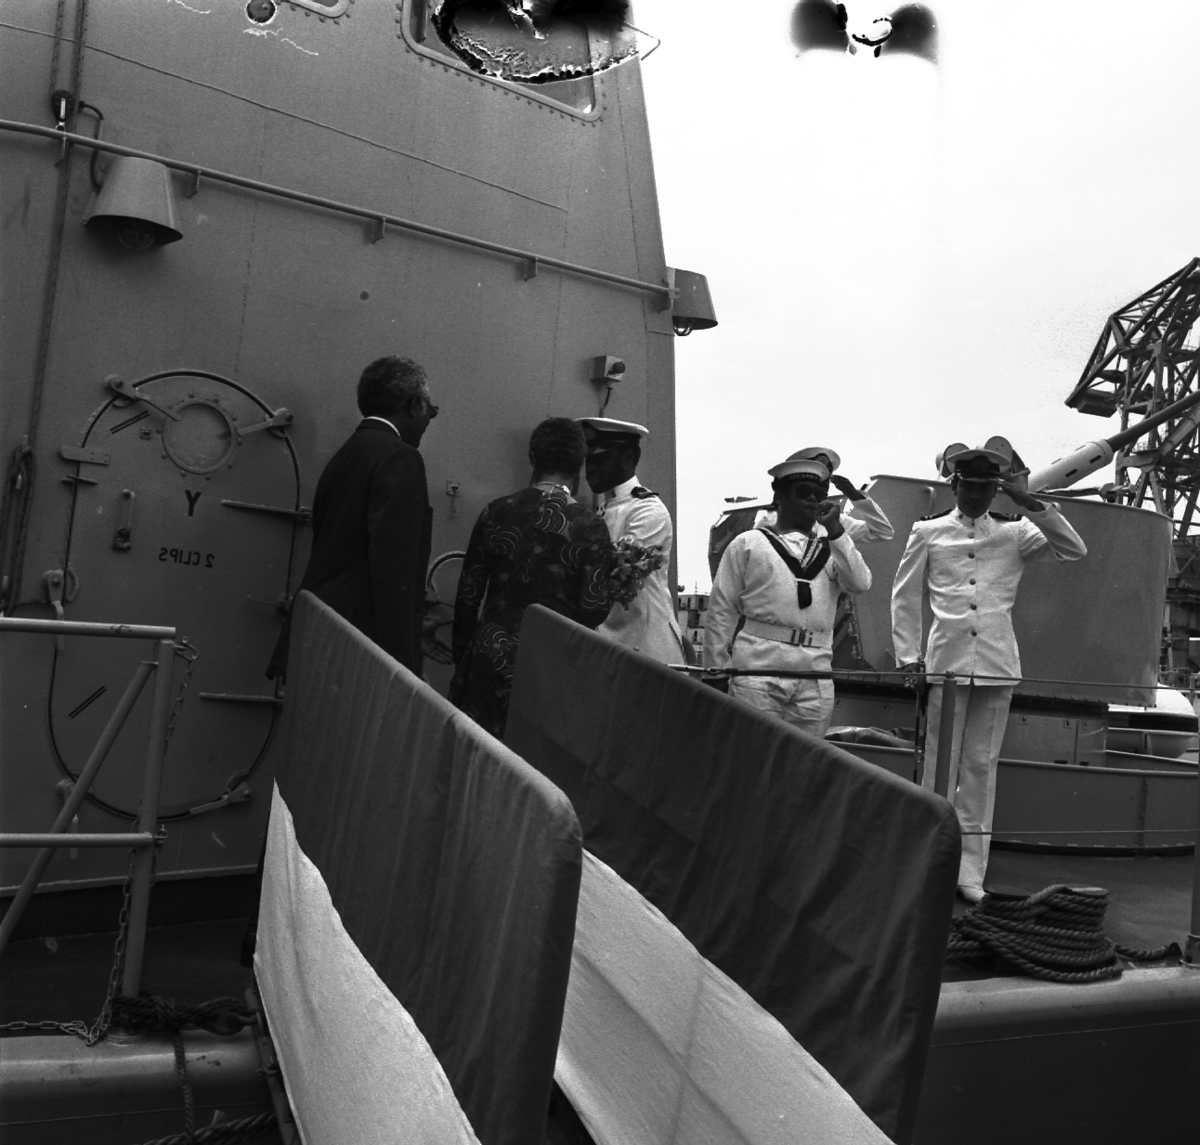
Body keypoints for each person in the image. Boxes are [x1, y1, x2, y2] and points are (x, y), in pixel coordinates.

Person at [891, 436, 1087, 903]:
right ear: (954, 484)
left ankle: (969, 875)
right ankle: (928, 861)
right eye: (969, 485)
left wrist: (1029, 502)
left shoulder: (1016, 532)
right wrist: (908, 657)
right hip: (947, 665)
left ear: (996, 488)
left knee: (981, 768)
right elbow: (904, 597)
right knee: (938, 767)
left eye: (986, 486)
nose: (976, 494)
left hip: (997, 664)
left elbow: (1073, 549)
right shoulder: (927, 532)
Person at [267, 355, 436, 679]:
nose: (429, 419)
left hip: (318, 634)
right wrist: (404, 666)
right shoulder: (401, 458)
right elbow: (393, 571)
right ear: (415, 405)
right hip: (356, 648)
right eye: (431, 409)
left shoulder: (346, 455)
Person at [450, 418, 613, 738]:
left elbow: (468, 596)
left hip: (491, 657)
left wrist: (464, 660)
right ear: (579, 464)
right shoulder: (590, 525)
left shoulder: (496, 511)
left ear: (532, 457)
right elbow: (593, 609)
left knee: (481, 752)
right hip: (552, 666)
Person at [703, 453, 873, 736]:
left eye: (819, 494)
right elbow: (722, 610)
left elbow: (860, 583)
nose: (813, 499)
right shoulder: (749, 543)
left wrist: (836, 531)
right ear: (780, 497)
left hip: (815, 673)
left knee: (806, 758)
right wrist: (715, 670)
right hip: (759, 669)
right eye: (803, 492)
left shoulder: (833, 546)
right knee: (753, 752)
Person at [578, 417, 689, 664]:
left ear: (628, 457)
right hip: (614, 648)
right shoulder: (604, 509)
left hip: (646, 649)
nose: (589, 470)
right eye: (587, 460)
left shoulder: (647, 511)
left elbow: (619, 578)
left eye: (599, 459)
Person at [755, 446, 893, 544]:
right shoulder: (770, 520)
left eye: (824, 481)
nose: (814, 494)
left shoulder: (835, 521)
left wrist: (854, 495)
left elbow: (883, 532)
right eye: (805, 488)